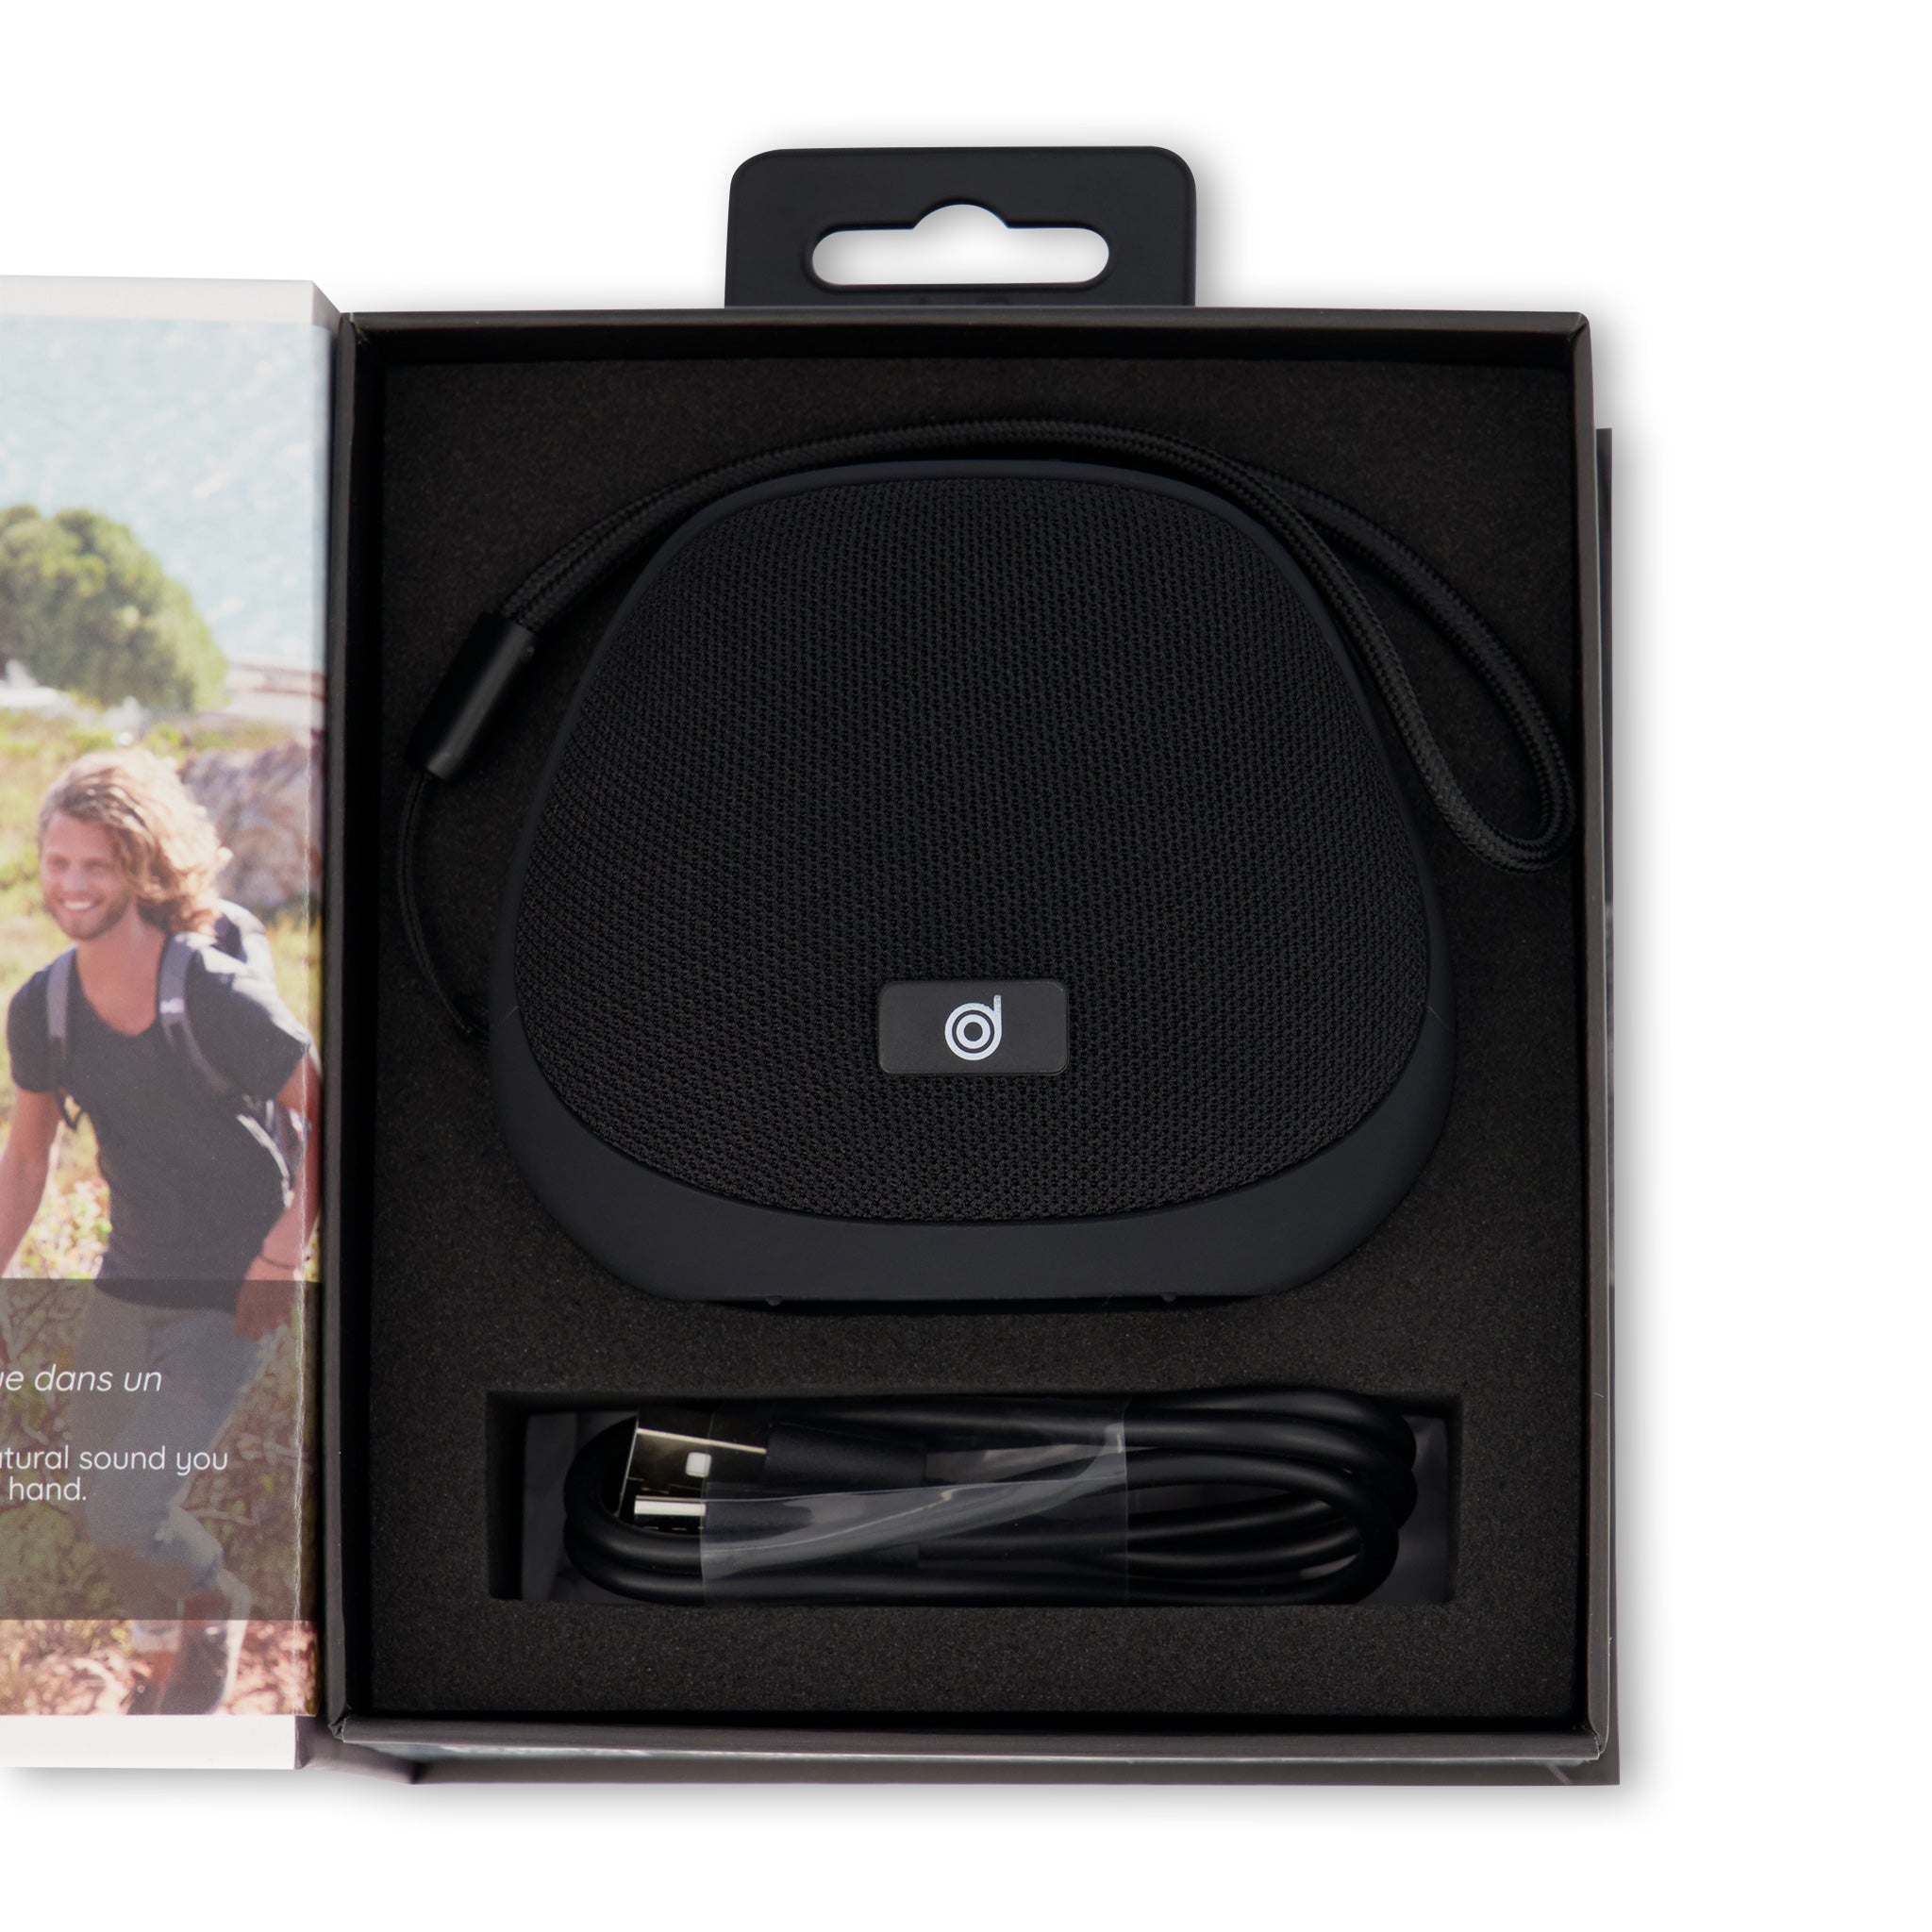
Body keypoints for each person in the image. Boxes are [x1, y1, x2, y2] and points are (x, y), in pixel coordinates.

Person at [0, 749, 320, 1713]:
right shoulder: (43, 1006)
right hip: (127, 1280)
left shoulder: (215, 993)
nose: (72, 884)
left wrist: (281, 1254)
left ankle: (216, 1605)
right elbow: (27, 1162)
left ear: (141, 869)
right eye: (59, 862)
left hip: (230, 1292)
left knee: (126, 1506)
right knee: (101, 1502)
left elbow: (335, 1113)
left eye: (96, 865)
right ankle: (158, 1662)